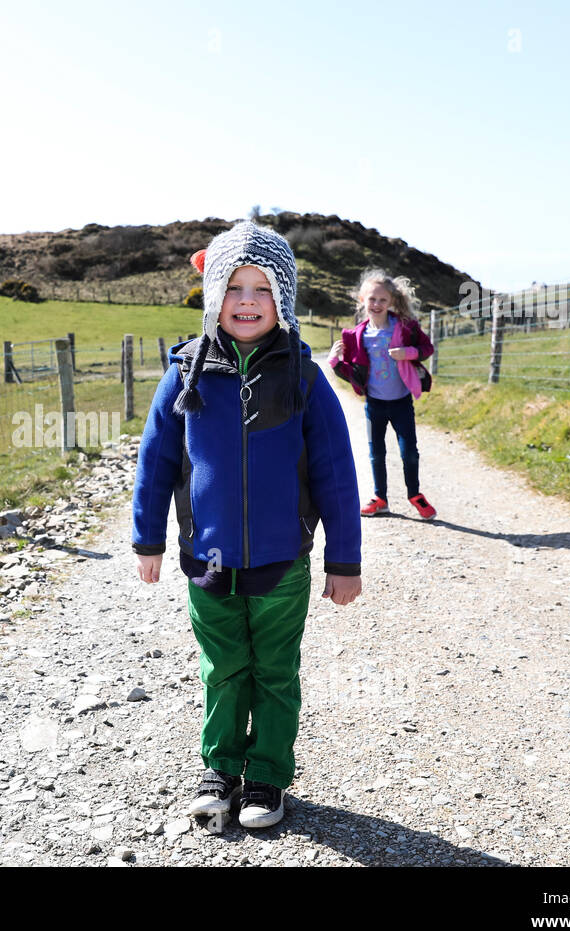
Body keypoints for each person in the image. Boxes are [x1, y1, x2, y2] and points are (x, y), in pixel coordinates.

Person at [131, 220, 362, 829]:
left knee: (275, 672)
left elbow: (337, 476)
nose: (248, 301)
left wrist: (344, 561)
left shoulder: (306, 380)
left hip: (282, 562)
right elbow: (156, 461)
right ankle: (221, 767)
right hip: (206, 561)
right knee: (223, 668)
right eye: (234, 288)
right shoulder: (185, 374)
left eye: (262, 288)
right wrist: (148, 538)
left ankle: (266, 777)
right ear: (213, 296)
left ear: (282, 299)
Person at [327, 269, 437, 519]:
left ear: (392, 302)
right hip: (374, 404)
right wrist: (335, 363)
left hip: (401, 403)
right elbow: (355, 373)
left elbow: (426, 348)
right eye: (372, 299)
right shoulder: (356, 336)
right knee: (376, 453)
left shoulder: (406, 327)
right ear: (362, 301)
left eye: (382, 300)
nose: (376, 304)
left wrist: (408, 352)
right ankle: (380, 498)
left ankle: (415, 494)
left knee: (409, 451)